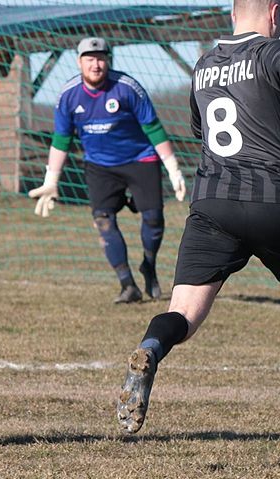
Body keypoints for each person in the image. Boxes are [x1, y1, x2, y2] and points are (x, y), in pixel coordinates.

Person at [115, 0, 280, 449]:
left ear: (232, 14)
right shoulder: (270, 50)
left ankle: (151, 350)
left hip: (212, 205)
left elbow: (202, 129)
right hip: (272, 203)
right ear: (275, 12)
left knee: (184, 314)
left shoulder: (204, 66)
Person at [29, 37, 187, 304]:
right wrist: (51, 180)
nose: (96, 64)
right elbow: (61, 140)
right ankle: (128, 285)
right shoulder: (68, 95)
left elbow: (153, 128)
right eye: (90, 59)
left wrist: (173, 169)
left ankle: (149, 265)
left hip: (140, 159)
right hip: (100, 166)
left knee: (153, 219)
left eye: (101, 58)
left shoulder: (127, 87)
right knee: (103, 221)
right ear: (79, 62)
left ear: (108, 61)